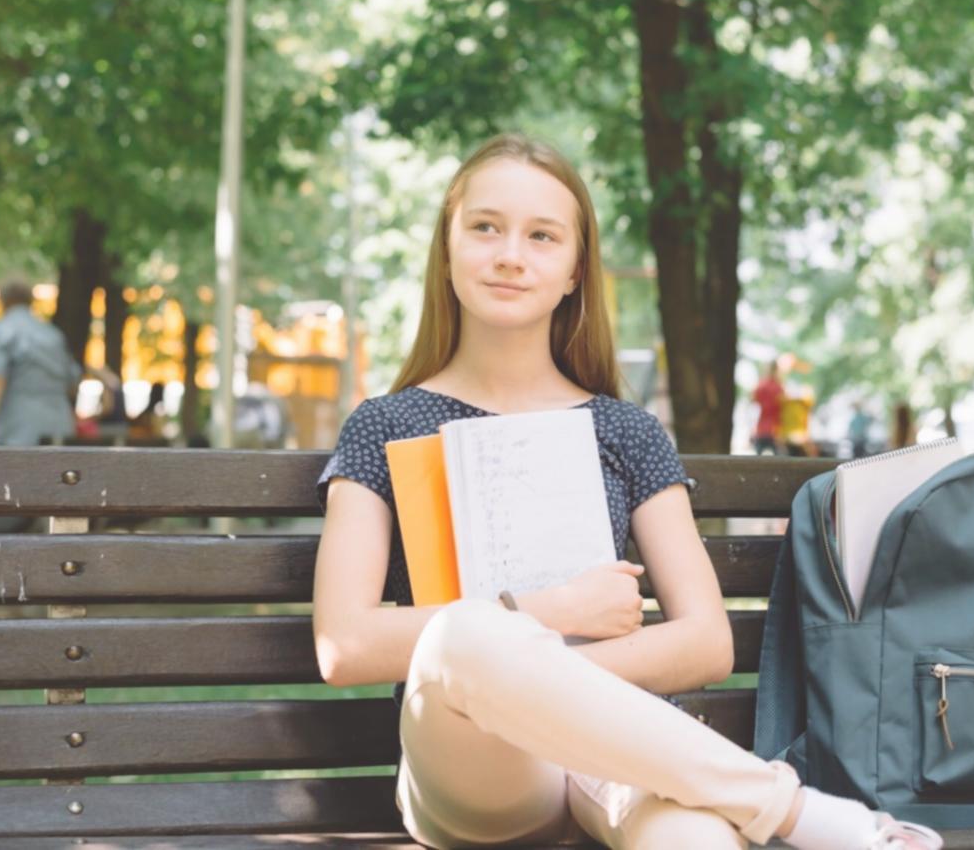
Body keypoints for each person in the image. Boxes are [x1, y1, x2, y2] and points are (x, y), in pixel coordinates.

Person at [311, 135, 941, 850]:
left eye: (541, 236)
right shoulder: (384, 426)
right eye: (485, 227)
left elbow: (705, 642)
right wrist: (551, 613)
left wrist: (532, 678)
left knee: (697, 843)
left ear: (575, 270)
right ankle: (795, 814)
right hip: (474, 770)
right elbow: (344, 645)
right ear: (447, 248)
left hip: (611, 759)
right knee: (464, 634)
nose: (510, 254)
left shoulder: (624, 430)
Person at [0, 279, 81, 448]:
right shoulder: (52, 334)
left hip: (18, 425)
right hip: (60, 423)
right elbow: (72, 382)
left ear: (3, 301)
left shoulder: (3, 330)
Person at [751, 361, 784, 455]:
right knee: (778, 460)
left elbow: (754, 399)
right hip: (775, 429)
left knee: (758, 458)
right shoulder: (779, 387)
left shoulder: (761, 385)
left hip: (762, 428)